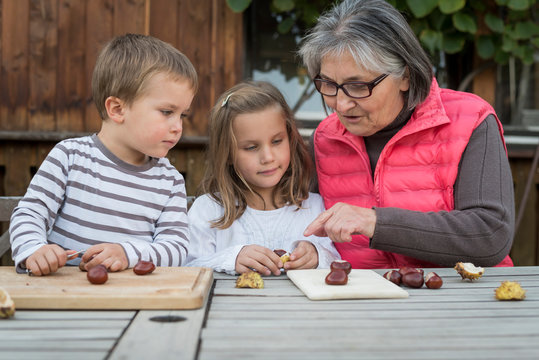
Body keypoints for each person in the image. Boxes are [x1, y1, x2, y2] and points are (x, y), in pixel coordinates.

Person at [299, 0, 514, 269]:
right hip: (357, 301)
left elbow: (489, 235)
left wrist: (374, 222)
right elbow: (301, 226)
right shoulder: (324, 139)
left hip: (461, 300)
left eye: (358, 85)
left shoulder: (471, 120)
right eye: (328, 84)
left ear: (406, 76)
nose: (341, 105)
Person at [10, 34, 197, 275]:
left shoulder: (169, 181)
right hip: (63, 292)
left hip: (138, 297)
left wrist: (126, 253)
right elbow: (30, 213)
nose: (177, 127)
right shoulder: (70, 157)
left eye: (182, 115)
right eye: (167, 112)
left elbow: (176, 248)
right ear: (117, 109)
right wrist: (34, 249)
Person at [186, 81, 340, 275]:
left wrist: (317, 256)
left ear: (290, 140)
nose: (268, 157)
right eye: (251, 147)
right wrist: (231, 258)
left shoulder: (314, 207)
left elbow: (338, 262)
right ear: (227, 155)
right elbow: (186, 269)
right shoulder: (208, 210)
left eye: (277, 141)